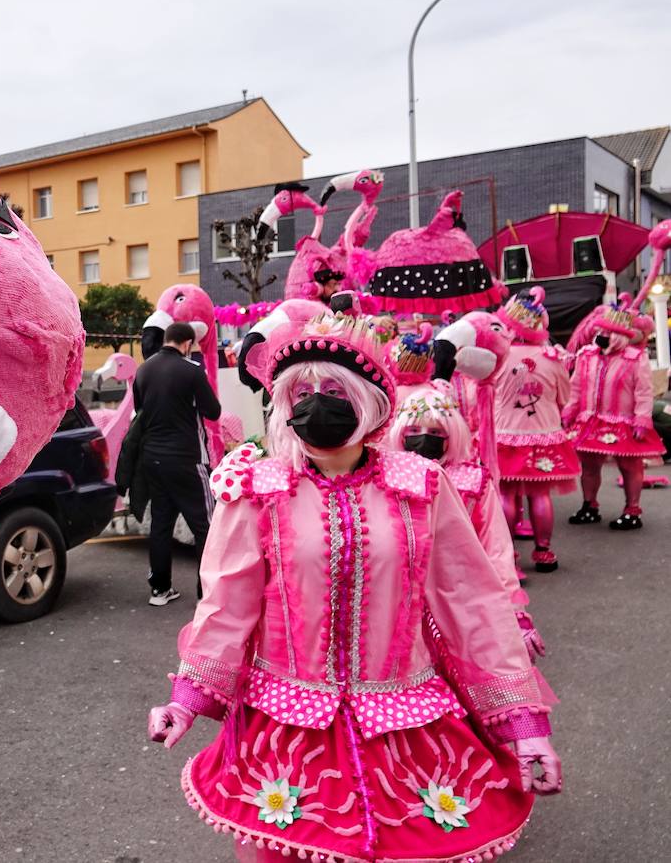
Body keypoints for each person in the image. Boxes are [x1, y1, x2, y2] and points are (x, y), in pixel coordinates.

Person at [149, 309, 560, 863]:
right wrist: (187, 698)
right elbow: (226, 604)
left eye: (334, 390)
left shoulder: (421, 486)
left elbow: (473, 604)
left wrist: (523, 725)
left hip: (403, 722)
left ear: (368, 400)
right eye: (302, 394)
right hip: (288, 728)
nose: (317, 405)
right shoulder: (259, 490)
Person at [383, 381, 546, 662]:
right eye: (414, 431)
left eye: (435, 432)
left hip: (462, 600)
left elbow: (496, 550)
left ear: (452, 434)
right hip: (397, 601)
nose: (424, 438)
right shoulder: (384, 478)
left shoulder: (473, 481)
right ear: (400, 433)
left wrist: (513, 613)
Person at [131, 320, 220, 606]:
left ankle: (159, 589)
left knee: (161, 523)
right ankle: (206, 593)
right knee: (206, 525)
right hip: (186, 458)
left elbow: (138, 411)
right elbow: (213, 411)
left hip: (152, 458)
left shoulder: (143, 370)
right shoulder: (190, 371)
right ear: (186, 344)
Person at [490, 289, 579, 571]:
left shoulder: (497, 357)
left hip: (504, 436)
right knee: (540, 496)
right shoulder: (553, 357)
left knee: (505, 496)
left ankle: (509, 556)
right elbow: (564, 396)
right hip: (544, 434)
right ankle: (544, 552)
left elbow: (482, 397)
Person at [566, 297, 666, 529]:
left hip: (624, 421)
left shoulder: (635, 358)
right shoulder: (587, 355)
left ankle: (632, 510)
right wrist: (570, 410)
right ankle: (589, 505)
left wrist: (642, 419)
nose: (603, 335)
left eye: (609, 331)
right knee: (589, 466)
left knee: (630, 466)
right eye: (601, 330)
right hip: (590, 419)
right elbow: (577, 386)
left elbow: (644, 391)